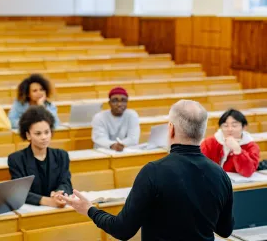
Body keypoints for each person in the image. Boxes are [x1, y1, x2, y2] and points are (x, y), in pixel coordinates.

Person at [61, 100, 234, 241]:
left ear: (171, 129)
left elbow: (122, 230)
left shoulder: (153, 172)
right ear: (202, 132)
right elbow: (225, 230)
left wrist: (90, 209)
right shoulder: (220, 174)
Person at [8, 105, 72, 208]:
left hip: (57, 207)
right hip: (31, 210)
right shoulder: (16, 159)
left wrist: (59, 194)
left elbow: (66, 183)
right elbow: (20, 192)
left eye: (47, 132)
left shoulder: (61, 155)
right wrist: (48, 201)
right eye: (38, 134)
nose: (44, 137)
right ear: (28, 135)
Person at [201, 109, 260, 177]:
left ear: (244, 127)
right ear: (220, 127)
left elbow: (247, 172)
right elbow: (200, 165)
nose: (230, 129)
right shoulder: (209, 143)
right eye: (225, 126)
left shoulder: (251, 146)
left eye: (234, 126)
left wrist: (238, 151)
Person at [91, 87, 140, 151]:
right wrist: (113, 145)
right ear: (109, 103)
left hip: (125, 150)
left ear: (127, 102)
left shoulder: (132, 115)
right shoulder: (99, 117)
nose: (119, 104)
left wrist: (120, 145)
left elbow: (133, 138)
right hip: (104, 151)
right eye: (115, 100)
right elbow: (99, 138)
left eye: (123, 100)